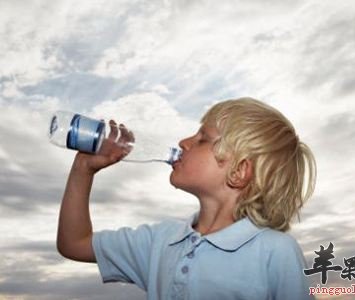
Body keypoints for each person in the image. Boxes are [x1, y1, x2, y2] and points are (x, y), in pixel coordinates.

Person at [57, 97, 317, 300]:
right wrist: (84, 168)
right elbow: (74, 244)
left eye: (202, 139)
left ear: (238, 172)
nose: (183, 142)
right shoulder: (161, 240)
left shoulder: (275, 251)